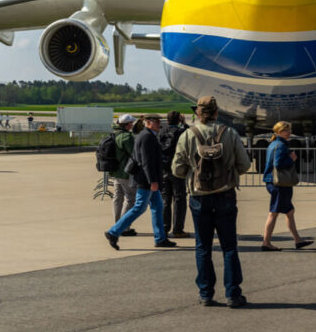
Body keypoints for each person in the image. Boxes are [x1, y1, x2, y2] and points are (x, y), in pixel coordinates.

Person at [172, 96, 251, 308]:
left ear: (198, 113)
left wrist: (193, 171)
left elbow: (177, 170)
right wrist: (228, 171)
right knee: (229, 247)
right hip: (225, 194)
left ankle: (206, 293)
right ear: (217, 113)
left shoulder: (188, 135)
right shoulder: (230, 133)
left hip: (199, 197)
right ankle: (233, 294)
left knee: (203, 247)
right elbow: (245, 164)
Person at [104, 115, 177, 250]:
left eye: (158, 121)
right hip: (146, 180)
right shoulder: (146, 137)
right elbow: (146, 162)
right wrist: (152, 181)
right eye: (155, 122)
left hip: (149, 179)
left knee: (157, 207)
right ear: (147, 123)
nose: (158, 124)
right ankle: (113, 232)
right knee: (139, 207)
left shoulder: (148, 135)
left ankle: (160, 238)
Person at [260, 121, 314, 251]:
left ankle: (298, 240)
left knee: (289, 211)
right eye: (286, 130)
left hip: (274, 182)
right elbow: (278, 164)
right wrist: (292, 159)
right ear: (279, 132)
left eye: (289, 130)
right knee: (274, 213)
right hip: (279, 184)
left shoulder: (274, 144)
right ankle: (266, 242)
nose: (289, 132)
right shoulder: (280, 145)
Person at [158, 110, 190, 238]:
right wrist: (184, 123)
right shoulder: (181, 132)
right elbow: (190, 133)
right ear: (178, 120)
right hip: (177, 169)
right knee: (179, 199)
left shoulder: (162, 132)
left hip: (164, 169)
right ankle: (178, 229)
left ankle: (164, 228)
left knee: (166, 200)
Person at [110, 114, 139, 235]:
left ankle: (117, 224)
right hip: (125, 172)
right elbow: (134, 153)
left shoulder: (114, 134)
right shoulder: (127, 137)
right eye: (131, 123)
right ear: (127, 125)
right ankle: (123, 227)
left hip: (116, 171)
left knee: (118, 198)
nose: (132, 125)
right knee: (130, 199)